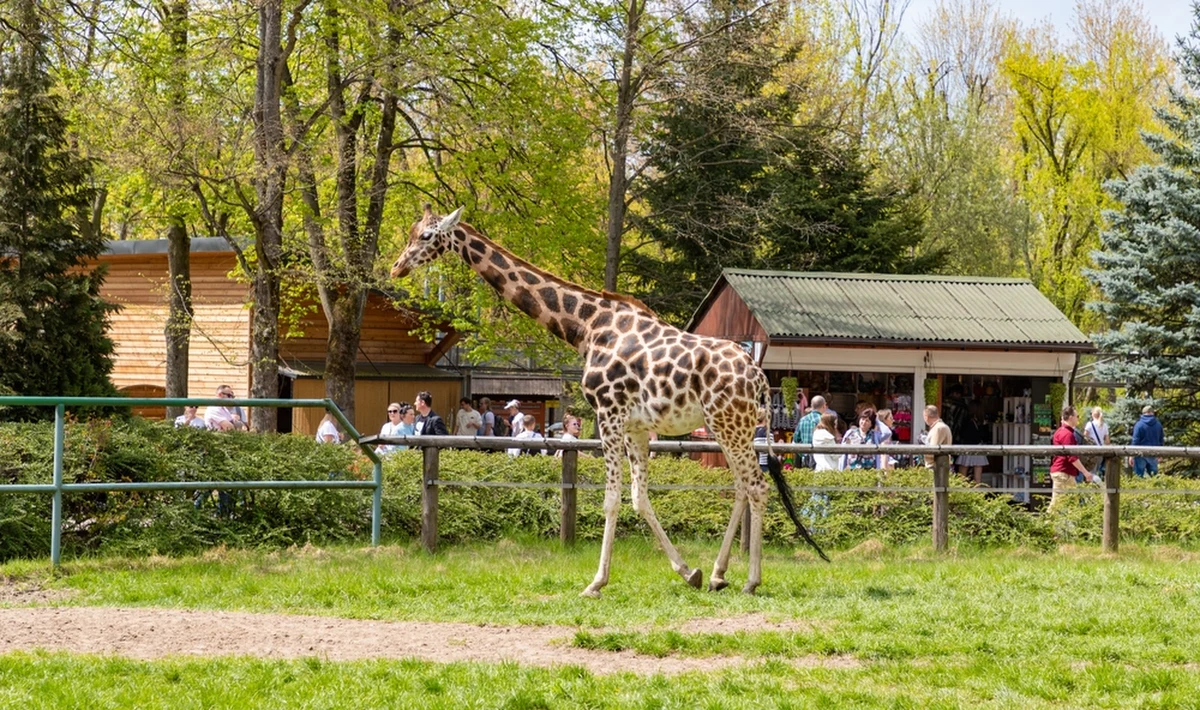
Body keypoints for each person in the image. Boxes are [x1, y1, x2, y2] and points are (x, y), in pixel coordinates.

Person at [1050, 405, 1094, 510]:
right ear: (1070, 417)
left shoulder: (1061, 431)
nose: (1078, 418)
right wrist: (1086, 472)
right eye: (1077, 416)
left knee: (1072, 503)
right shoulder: (1067, 434)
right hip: (1064, 473)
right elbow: (1072, 457)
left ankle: (1075, 524)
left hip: (1064, 473)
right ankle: (1046, 524)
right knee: (1056, 505)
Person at [955, 403, 991, 483]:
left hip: (968, 449)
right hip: (974, 448)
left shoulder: (968, 421)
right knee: (973, 477)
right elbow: (979, 438)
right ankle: (976, 493)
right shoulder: (970, 422)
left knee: (963, 476)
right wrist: (983, 427)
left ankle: (962, 493)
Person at [793, 395, 827, 468]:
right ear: (824, 406)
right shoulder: (824, 420)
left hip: (805, 457)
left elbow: (796, 439)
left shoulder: (803, 419)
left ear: (811, 406)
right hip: (820, 458)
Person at [1131, 404, 1164, 477]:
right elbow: (1161, 440)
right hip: (1154, 454)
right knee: (1154, 477)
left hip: (1140, 454)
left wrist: (1131, 455)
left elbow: (1135, 441)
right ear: (1152, 413)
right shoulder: (1158, 425)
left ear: (1143, 413)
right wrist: (1160, 454)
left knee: (1138, 477)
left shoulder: (1139, 425)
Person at [1083, 406, 1111, 477]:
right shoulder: (1104, 425)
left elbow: (1084, 437)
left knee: (1090, 471)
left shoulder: (1090, 424)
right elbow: (1107, 441)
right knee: (1097, 471)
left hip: (1091, 451)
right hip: (1100, 451)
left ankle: (1091, 486)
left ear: (1093, 414)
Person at [923, 405, 952, 469]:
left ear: (926, 417)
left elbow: (933, 450)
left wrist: (922, 451)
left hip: (936, 467)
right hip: (938, 466)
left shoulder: (938, 428)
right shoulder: (939, 427)